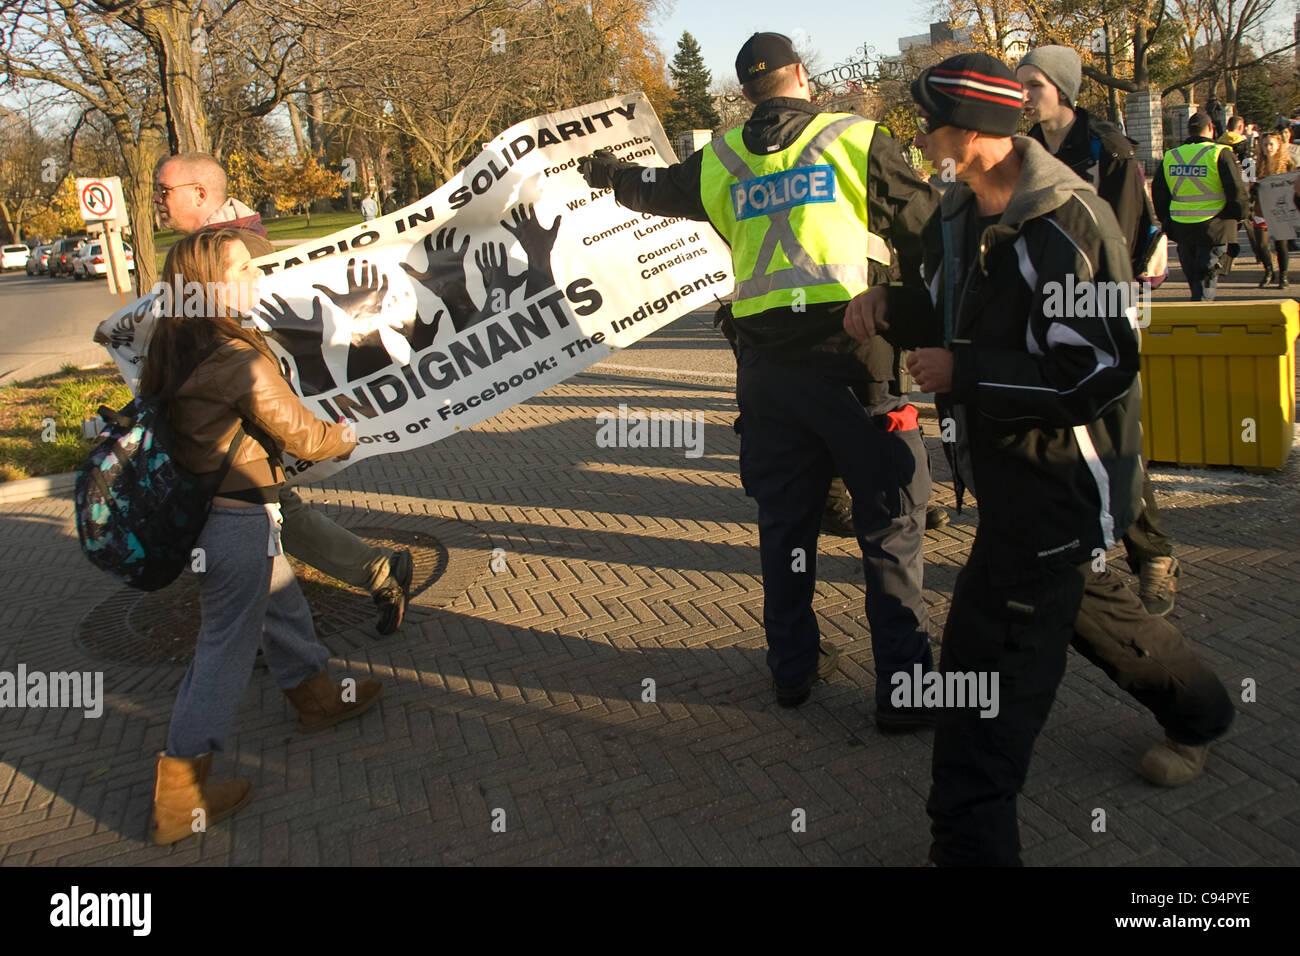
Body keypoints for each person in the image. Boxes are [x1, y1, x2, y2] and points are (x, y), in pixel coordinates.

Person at [845, 53, 1231, 864]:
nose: (919, 140)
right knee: (1095, 610)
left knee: (981, 695)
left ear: (978, 134)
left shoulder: (1067, 220)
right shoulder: (961, 209)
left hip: (1057, 485)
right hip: (1006, 478)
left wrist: (969, 374)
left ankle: (969, 844)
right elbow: (960, 310)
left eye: (931, 125)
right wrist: (895, 304)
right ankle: (1201, 714)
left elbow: (1097, 367)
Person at [579, 32, 940, 728]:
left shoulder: (720, 158)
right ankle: (905, 691)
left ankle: (793, 671)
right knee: (890, 526)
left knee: (785, 529)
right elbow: (928, 229)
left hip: (766, 374)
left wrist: (602, 172)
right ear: (802, 76)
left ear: (745, 92)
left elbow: (650, 190)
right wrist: (909, 302)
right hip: (854, 361)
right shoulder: (857, 139)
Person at [140, 229, 384, 845]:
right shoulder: (235, 359)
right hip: (239, 520)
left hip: (217, 516)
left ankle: (316, 695)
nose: (257, 275)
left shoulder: (175, 346)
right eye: (243, 267)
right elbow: (306, 437)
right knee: (223, 650)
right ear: (209, 283)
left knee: (281, 601)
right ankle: (180, 792)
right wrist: (349, 434)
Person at [154, 153, 413, 634]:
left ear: (199, 193)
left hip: (243, 440)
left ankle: (295, 661)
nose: (158, 201)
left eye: (164, 191)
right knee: (274, 520)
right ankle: (315, 660)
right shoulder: (201, 258)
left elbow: (295, 422)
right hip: (240, 444)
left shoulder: (226, 249)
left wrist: (337, 437)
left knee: (259, 526)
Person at [1018, 44, 1180, 613]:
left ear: (1062, 88)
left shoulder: (1107, 149)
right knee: (1071, 431)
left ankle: (1152, 554)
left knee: (1112, 427)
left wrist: (1111, 303)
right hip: (1048, 307)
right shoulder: (1027, 149)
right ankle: (1080, 548)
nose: (1025, 95)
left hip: (1106, 299)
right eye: (1021, 85)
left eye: (1033, 84)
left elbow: (1123, 233)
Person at [1153, 113, 1246, 301]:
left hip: (1182, 229)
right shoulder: (1220, 153)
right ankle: (1201, 325)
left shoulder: (1171, 156)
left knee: (1195, 281)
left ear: (1189, 130)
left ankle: (1197, 318)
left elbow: (1159, 194)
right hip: (1215, 228)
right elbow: (1237, 191)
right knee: (1205, 283)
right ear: (1211, 129)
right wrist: (1238, 217)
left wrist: (1168, 221)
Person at [1251, 132, 1296, 288]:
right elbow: (1247, 183)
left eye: (1271, 144)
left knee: (1281, 244)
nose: (1268, 148)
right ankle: (1269, 271)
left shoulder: (1287, 164)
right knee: (1261, 245)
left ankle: (1283, 276)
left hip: (1280, 210)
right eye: (1265, 145)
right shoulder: (1255, 165)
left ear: (1278, 146)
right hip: (1261, 209)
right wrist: (1253, 187)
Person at [1215, 116, 1252, 275]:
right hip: (1240, 185)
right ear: (1241, 126)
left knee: (1227, 227)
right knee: (1244, 225)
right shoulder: (1243, 143)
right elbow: (1249, 166)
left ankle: (1223, 261)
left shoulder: (1218, 142)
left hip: (1220, 187)